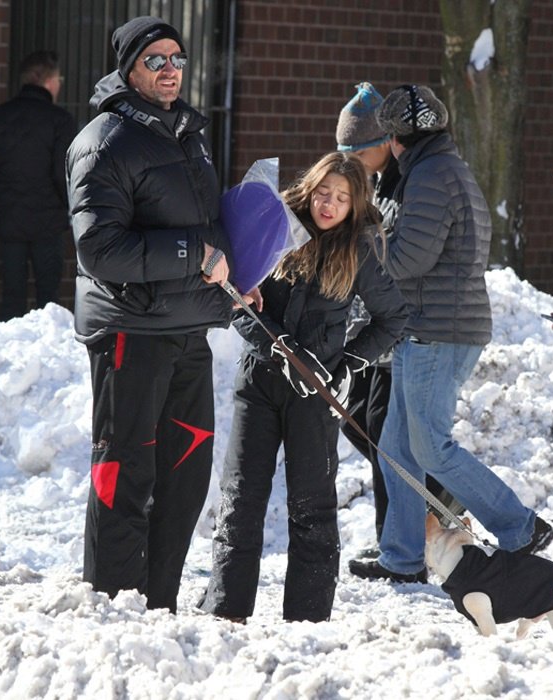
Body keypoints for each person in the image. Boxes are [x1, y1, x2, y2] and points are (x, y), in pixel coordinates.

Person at [65, 16, 248, 613]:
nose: (170, 70)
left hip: (187, 327)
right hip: (131, 331)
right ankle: (115, 604)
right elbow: (100, 249)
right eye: (156, 60)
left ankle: (159, 603)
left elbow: (206, 225)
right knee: (126, 473)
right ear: (128, 69)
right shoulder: (104, 141)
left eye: (177, 58)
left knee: (186, 474)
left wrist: (238, 277)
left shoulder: (186, 135)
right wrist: (193, 254)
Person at [350, 85, 553, 584]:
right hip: (430, 326)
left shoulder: (432, 177)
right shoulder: (437, 170)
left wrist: (362, 237)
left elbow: (406, 259)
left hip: (436, 331)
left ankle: (520, 526)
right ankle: (402, 556)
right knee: (396, 447)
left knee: (431, 448)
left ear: (398, 139)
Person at [200, 152, 408, 622]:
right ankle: (226, 609)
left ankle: (308, 617)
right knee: (241, 497)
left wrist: (348, 363)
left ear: (355, 205)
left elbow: (393, 317)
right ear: (310, 188)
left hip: (316, 395)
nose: (329, 204)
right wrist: (277, 348)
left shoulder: (358, 251)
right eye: (323, 192)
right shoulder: (274, 227)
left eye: (342, 198)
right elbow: (239, 300)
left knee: (312, 505)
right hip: (259, 383)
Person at [334, 82, 462, 555]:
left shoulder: (409, 182)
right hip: (371, 326)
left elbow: (406, 252)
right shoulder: (372, 184)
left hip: (404, 326)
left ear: (382, 144)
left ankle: (402, 540)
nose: (346, 161)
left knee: (388, 437)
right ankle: (426, 504)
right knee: (359, 423)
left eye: (354, 151)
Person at [0, 50, 77, 322]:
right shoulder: (60, 120)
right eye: (58, 78)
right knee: (47, 297)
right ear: (48, 81)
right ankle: (44, 356)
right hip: (48, 220)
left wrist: (0, 189)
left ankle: (7, 355)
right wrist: (68, 206)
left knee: (11, 295)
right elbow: (63, 174)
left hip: (11, 216)